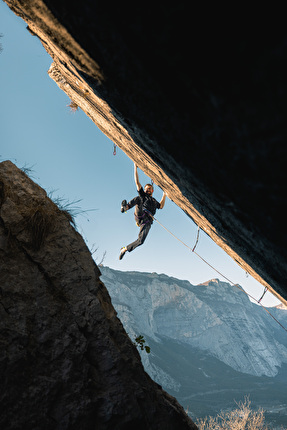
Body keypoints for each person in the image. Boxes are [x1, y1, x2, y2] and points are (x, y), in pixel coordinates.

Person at [119, 163, 167, 260]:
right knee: (139, 198)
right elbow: (137, 182)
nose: (146, 190)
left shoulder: (154, 201)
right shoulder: (143, 195)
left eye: (148, 189)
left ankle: (124, 249)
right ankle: (126, 207)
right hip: (140, 214)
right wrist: (135, 167)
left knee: (141, 241)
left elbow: (161, 206)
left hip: (147, 221)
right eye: (145, 189)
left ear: (152, 190)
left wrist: (164, 194)